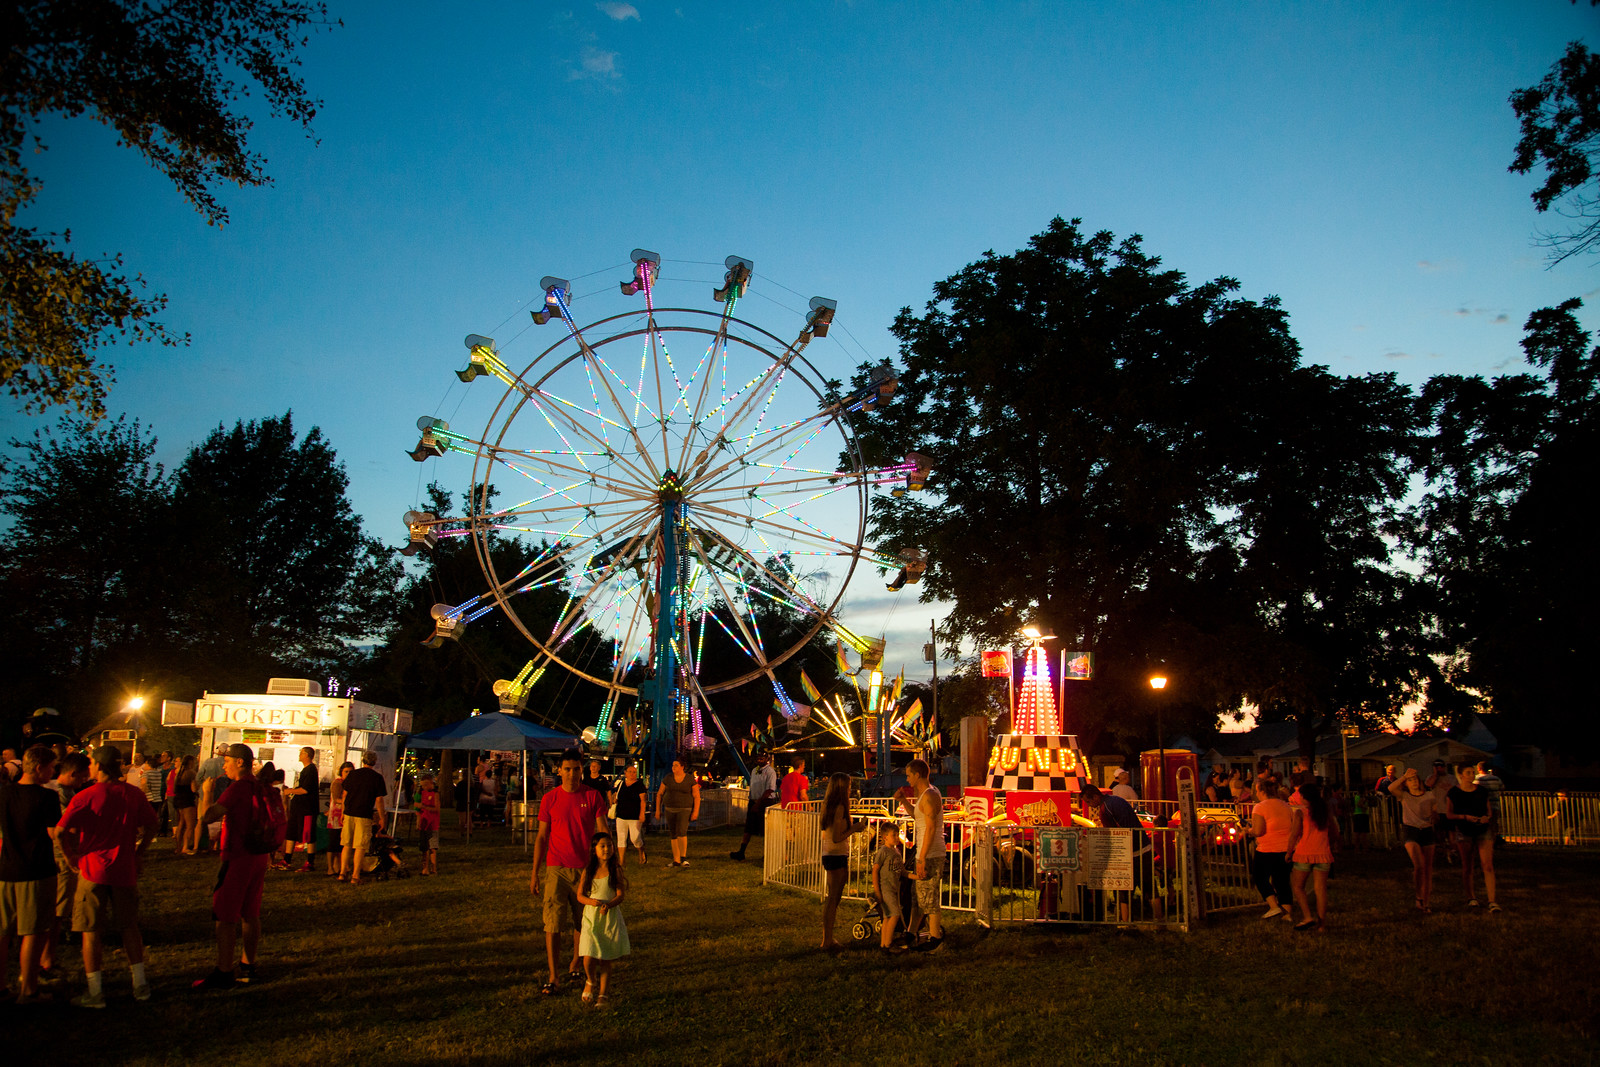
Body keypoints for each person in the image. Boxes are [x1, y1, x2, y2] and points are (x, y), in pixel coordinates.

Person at [54, 746, 158, 1008]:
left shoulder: (86, 796)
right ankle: (140, 985)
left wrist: (70, 857)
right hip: (124, 869)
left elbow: (59, 831)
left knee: (90, 931)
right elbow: (153, 825)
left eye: (91, 762)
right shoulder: (133, 794)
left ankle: (96, 991)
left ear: (99, 766)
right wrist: (138, 853)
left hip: (92, 870)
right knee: (129, 927)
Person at [192, 744, 272, 991]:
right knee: (251, 913)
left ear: (240, 762)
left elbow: (208, 816)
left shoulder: (238, 788)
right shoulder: (259, 785)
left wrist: (207, 793)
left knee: (225, 916)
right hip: (258, 855)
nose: (223, 764)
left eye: (227, 760)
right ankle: (248, 966)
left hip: (237, 856)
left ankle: (224, 970)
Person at [531, 749, 609, 996]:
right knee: (552, 922)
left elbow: (603, 832)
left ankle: (576, 962)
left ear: (582, 770)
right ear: (559, 770)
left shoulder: (593, 796)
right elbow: (542, 837)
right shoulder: (550, 799)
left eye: (576, 769)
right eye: (567, 769)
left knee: (582, 922)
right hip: (556, 867)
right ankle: (554, 976)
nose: (572, 774)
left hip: (585, 870)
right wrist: (535, 872)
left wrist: (606, 865)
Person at [1, 745, 62, 1003]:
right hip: (36, 871)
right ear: (39, 769)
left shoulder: (3, 794)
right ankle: (28, 989)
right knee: (32, 932)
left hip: (5, 871)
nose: (52, 772)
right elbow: (53, 833)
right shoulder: (46, 797)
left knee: (3, 933)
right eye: (51, 768)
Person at [1081, 782, 1163, 924]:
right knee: (1150, 887)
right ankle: (1160, 920)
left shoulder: (1104, 809)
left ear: (1095, 796)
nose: (1089, 805)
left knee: (1123, 890)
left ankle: (1125, 922)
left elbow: (1114, 832)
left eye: (1088, 801)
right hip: (1144, 847)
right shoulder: (1117, 800)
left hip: (1127, 853)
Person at [40, 752, 91, 979]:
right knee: (57, 910)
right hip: (62, 855)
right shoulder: (61, 794)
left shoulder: (58, 790)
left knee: (57, 908)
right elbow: (63, 828)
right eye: (81, 778)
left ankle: (45, 957)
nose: (83, 783)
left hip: (59, 854)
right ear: (72, 774)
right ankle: (46, 959)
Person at [895, 758, 946, 951]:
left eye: (908, 775)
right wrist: (903, 801)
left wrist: (923, 857)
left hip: (931, 854)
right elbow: (919, 817)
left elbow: (932, 828)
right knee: (918, 897)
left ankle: (935, 939)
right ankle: (911, 933)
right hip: (924, 852)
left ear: (917, 775)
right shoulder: (924, 794)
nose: (907, 779)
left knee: (929, 897)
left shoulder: (930, 795)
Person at [575, 831, 629, 1008]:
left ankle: (603, 994)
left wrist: (610, 904)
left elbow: (620, 894)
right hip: (592, 917)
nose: (606, 849)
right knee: (588, 955)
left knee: (606, 957)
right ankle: (591, 980)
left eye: (609, 846)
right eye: (602, 846)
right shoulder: (589, 871)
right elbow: (580, 895)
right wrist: (592, 902)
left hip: (609, 917)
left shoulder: (615, 870)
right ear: (594, 850)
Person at [819, 772, 868, 953]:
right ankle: (827, 940)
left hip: (829, 853)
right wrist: (854, 828)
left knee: (832, 899)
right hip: (836, 854)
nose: (850, 789)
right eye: (848, 786)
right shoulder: (839, 807)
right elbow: (837, 836)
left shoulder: (828, 806)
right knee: (833, 899)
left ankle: (827, 938)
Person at [1446, 763, 1499, 912]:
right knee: (1468, 865)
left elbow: (1489, 811)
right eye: (1468, 772)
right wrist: (1464, 817)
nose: (1471, 775)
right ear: (1461, 775)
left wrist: (1486, 817)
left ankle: (1492, 900)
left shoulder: (1481, 791)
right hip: (1464, 830)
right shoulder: (1454, 793)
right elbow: (1450, 814)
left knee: (1487, 864)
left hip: (1482, 829)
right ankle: (1471, 897)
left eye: (1472, 772)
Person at [1285, 780, 1337, 931]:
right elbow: (1334, 833)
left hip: (1304, 854)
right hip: (1323, 854)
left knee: (1298, 887)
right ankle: (1322, 924)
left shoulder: (1301, 813)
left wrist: (1289, 852)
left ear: (1305, 797)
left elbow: (1294, 835)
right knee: (1320, 889)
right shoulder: (1325, 811)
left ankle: (1307, 916)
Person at [1389, 768, 1438, 913]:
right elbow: (1391, 787)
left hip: (1427, 831)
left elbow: (1435, 812)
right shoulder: (1404, 796)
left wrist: (1434, 816)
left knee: (1428, 869)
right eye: (1410, 780)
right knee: (1419, 865)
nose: (1414, 782)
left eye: (1415, 779)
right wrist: (1404, 776)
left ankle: (1426, 902)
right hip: (1411, 831)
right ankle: (1418, 896)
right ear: (1406, 784)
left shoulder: (1429, 795)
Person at [1248, 777, 1294, 921]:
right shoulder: (1286, 805)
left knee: (1259, 877)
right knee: (1282, 880)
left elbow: (1259, 830)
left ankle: (1274, 906)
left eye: (1256, 790)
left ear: (1261, 791)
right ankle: (1287, 913)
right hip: (1286, 849)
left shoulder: (1260, 807)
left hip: (1266, 849)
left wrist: (1248, 830)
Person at [339, 752, 387, 885]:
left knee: (346, 844)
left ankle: (342, 873)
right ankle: (355, 875)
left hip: (349, 813)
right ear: (374, 762)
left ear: (363, 760)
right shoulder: (377, 778)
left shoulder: (353, 774)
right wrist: (381, 817)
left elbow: (344, 794)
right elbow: (379, 800)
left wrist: (343, 812)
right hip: (364, 814)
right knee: (360, 846)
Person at [730, 751, 779, 861]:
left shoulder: (770, 772)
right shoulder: (754, 770)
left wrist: (758, 803)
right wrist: (753, 801)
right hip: (753, 801)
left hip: (765, 802)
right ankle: (741, 852)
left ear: (767, 759)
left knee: (765, 829)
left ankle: (767, 854)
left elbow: (770, 789)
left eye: (762, 757)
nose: (759, 759)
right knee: (748, 827)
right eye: (758, 757)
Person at [654, 757, 701, 867]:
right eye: (673, 765)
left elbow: (696, 796)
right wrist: (657, 810)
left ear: (682, 767)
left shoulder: (689, 779)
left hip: (685, 809)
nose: (673, 767)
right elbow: (659, 794)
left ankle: (683, 857)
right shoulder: (668, 778)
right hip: (670, 809)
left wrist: (695, 811)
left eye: (676, 765)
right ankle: (676, 859)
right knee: (673, 833)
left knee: (682, 831)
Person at [280, 747, 320, 873]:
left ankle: (310, 862)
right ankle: (287, 859)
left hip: (307, 809)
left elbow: (305, 789)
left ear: (307, 755)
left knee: (309, 835)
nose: (299, 754)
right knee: (291, 832)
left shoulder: (311, 770)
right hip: (298, 808)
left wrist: (290, 791)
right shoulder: (305, 770)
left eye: (301, 752)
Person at [871, 822, 908, 954]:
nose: (897, 837)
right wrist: (877, 890)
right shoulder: (883, 851)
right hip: (885, 888)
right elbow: (875, 870)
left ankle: (883, 944)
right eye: (894, 835)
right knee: (895, 914)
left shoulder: (896, 852)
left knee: (887, 917)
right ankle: (889, 943)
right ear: (885, 837)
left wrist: (917, 876)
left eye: (898, 834)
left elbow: (903, 871)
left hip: (894, 888)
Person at [610, 763, 649, 869]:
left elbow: (643, 800)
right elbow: (616, 795)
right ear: (625, 773)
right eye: (630, 772)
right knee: (621, 838)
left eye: (634, 772)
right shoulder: (621, 784)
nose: (632, 774)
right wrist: (614, 799)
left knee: (635, 838)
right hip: (621, 815)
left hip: (634, 816)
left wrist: (642, 813)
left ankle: (641, 851)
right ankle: (622, 861)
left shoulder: (639, 785)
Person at [326, 761, 351, 875]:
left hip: (345, 816)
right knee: (333, 843)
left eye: (350, 772)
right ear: (341, 772)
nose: (348, 774)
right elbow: (336, 798)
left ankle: (340, 865)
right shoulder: (337, 783)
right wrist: (348, 802)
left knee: (342, 843)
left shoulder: (351, 783)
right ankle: (330, 867)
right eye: (346, 771)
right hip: (336, 817)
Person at [173, 755, 199, 855]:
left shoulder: (178, 773)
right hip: (187, 800)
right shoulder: (191, 773)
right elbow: (193, 789)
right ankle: (185, 847)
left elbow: (175, 789)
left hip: (178, 800)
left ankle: (178, 847)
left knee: (181, 824)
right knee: (190, 825)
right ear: (190, 762)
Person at [417, 774, 440, 876]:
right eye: (422, 785)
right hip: (424, 823)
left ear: (431, 783)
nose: (424, 787)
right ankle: (424, 868)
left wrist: (424, 807)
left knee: (432, 847)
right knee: (424, 848)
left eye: (426, 785)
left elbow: (436, 808)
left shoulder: (435, 794)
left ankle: (433, 868)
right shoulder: (422, 793)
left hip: (432, 824)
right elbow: (417, 807)